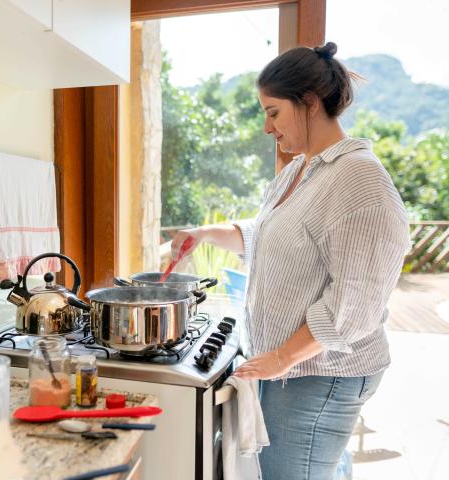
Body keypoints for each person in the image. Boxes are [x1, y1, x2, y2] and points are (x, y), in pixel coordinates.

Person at [170, 42, 410, 480]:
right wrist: (202, 234)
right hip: (293, 369)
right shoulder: (301, 169)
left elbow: (353, 303)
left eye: (273, 112)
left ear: (310, 104)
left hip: (318, 373)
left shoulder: (359, 179)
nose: (267, 126)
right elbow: (267, 233)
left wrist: (281, 358)